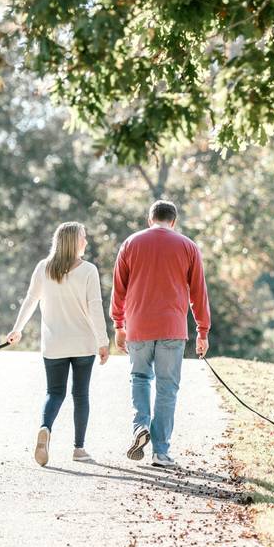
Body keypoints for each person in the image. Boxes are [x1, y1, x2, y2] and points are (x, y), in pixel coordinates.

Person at [110, 200, 211, 468]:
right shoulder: (188, 247)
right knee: (167, 388)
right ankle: (161, 451)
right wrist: (203, 331)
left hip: (139, 326)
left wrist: (119, 324)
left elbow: (119, 288)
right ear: (174, 221)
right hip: (172, 328)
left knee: (140, 378)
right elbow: (198, 293)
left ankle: (140, 425)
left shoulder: (131, 243)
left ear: (149, 219)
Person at [7, 222, 110, 466]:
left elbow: (31, 299)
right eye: (83, 237)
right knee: (81, 395)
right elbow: (95, 308)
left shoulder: (44, 267)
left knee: (54, 393)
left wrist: (17, 329)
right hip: (83, 343)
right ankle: (79, 449)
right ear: (75, 241)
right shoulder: (88, 270)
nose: (86, 241)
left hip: (54, 344)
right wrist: (103, 342)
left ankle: (45, 428)